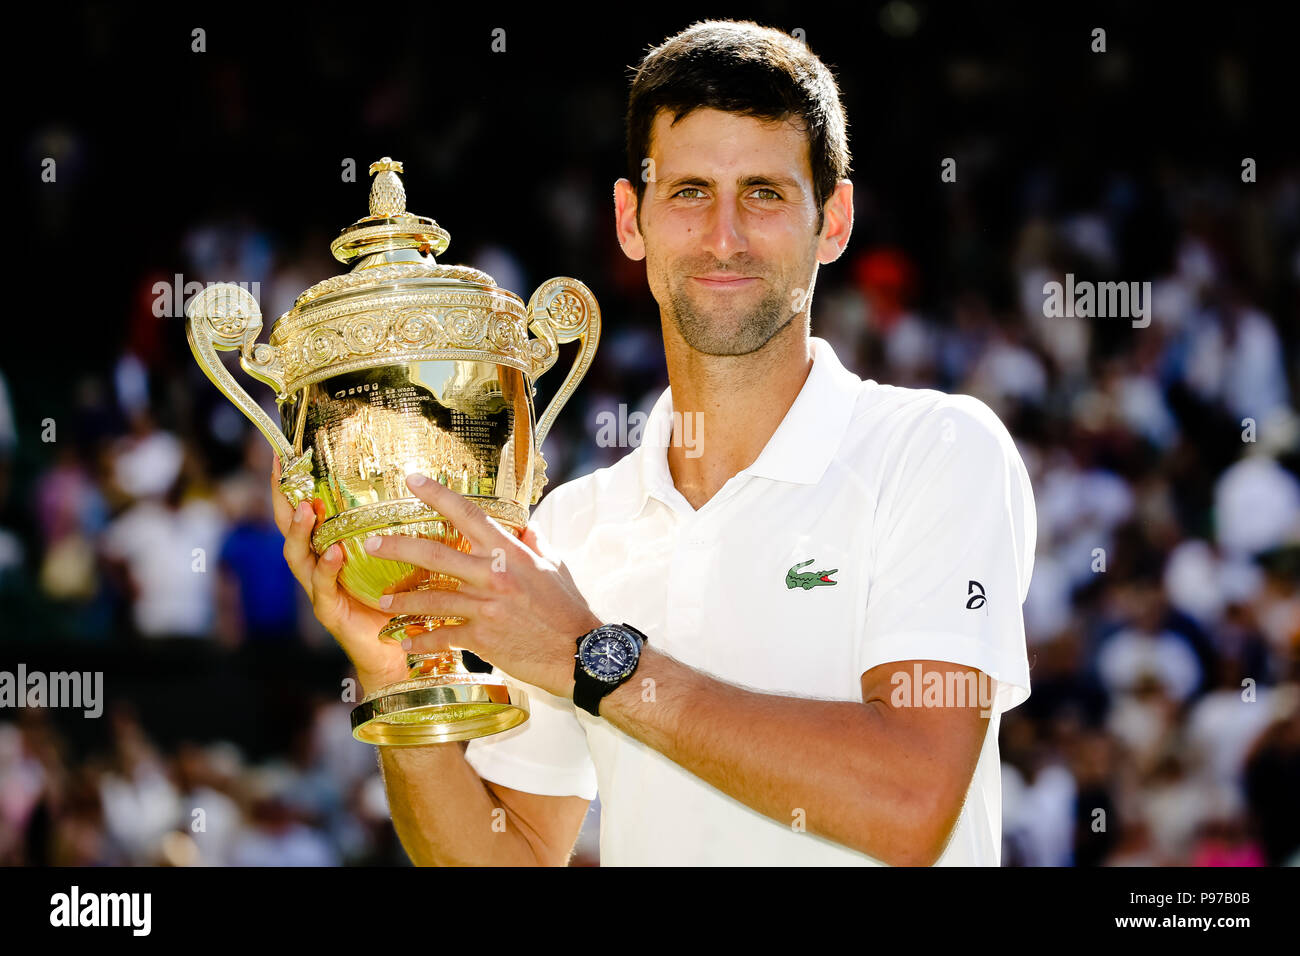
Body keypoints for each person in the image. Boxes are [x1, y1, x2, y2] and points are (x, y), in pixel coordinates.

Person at [273, 19, 1036, 866]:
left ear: (835, 219)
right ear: (630, 221)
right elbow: (507, 856)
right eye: (690, 193)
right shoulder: (570, 531)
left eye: (765, 193)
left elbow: (909, 802)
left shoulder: (936, 451)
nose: (724, 237)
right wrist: (393, 676)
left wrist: (590, 660)